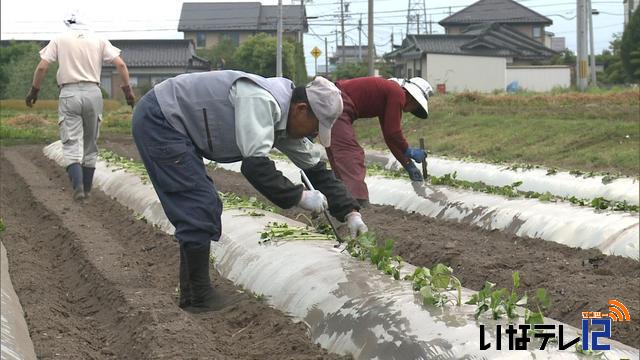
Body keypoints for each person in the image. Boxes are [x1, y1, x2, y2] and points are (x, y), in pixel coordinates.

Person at [131, 70, 369, 312]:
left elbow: (316, 169)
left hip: (176, 124)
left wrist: (350, 211)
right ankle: (200, 296)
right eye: (315, 126)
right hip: (161, 118)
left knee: (200, 203)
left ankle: (192, 295)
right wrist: (301, 197)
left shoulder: (287, 117)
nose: (314, 135)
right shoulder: (262, 101)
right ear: (300, 109)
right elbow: (255, 166)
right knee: (199, 203)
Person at [25, 12, 135, 201]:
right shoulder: (99, 40)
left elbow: (42, 67)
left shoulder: (60, 39)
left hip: (69, 93)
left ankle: (78, 188)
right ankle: (88, 190)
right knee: (90, 143)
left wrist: (34, 91)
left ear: (68, 25)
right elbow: (121, 65)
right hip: (94, 93)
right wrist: (128, 92)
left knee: (71, 141)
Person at [326, 76, 433, 207]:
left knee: (339, 156)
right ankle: (359, 203)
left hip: (334, 100)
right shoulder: (397, 93)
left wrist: (408, 165)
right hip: (339, 102)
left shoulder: (389, 93)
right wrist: (408, 150)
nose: (412, 110)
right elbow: (394, 132)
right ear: (411, 96)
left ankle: (341, 200)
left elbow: (390, 136)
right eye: (416, 106)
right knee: (350, 154)